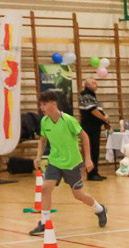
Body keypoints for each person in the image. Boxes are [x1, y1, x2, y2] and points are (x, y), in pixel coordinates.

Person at [29, 91, 107, 236]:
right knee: (45, 188)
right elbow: (42, 139)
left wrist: (88, 159)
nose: (42, 108)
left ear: (53, 104)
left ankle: (100, 209)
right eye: (40, 105)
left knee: (78, 194)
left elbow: (85, 137)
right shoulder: (44, 121)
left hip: (72, 163)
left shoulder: (68, 120)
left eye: (44, 104)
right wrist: (38, 156)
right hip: (54, 162)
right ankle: (45, 223)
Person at [78, 77, 109, 181]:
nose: (97, 85)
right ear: (87, 85)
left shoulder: (92, 95)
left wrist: (105, 120)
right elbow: (92, 110)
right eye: (94, 83)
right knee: (91, 150)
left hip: (95, 127)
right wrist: (103, 118)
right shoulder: (85, 95)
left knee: (95, 150)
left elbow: (98, 110)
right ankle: (91, 174)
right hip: (89, 127)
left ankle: (95, 172)